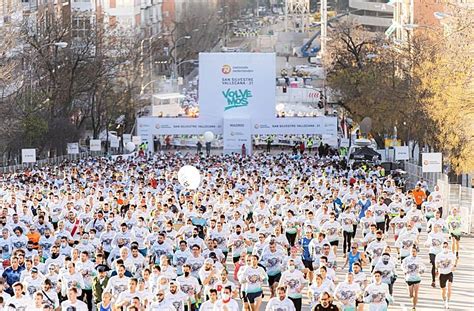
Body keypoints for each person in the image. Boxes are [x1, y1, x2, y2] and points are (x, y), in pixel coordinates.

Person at [401, 245, 426, 310]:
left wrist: (422, 271)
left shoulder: (419, 259)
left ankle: (414, 307)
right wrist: (405, 271)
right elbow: (402, 266)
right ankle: (412, 299)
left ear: (417, 252)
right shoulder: (406, 259)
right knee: (411, 295)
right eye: (412, 251)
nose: (413, 252)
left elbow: (424, 267)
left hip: (417, 278)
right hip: (409, 278)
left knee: (416, 293)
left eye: (414, 251)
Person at [435, 241, 456, 309]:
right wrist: (437, 267)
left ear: (448, 247)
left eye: (446, 246)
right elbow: (436, 265)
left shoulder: (451, 254)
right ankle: (444, 301)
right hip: (442, 274)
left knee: (449, 288)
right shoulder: (438, 255)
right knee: (443, 290)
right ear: (441, 247)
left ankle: (447, 302)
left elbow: (455, 260)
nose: (445, 248)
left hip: (449, 273)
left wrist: (454, 266)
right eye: (443, 247)